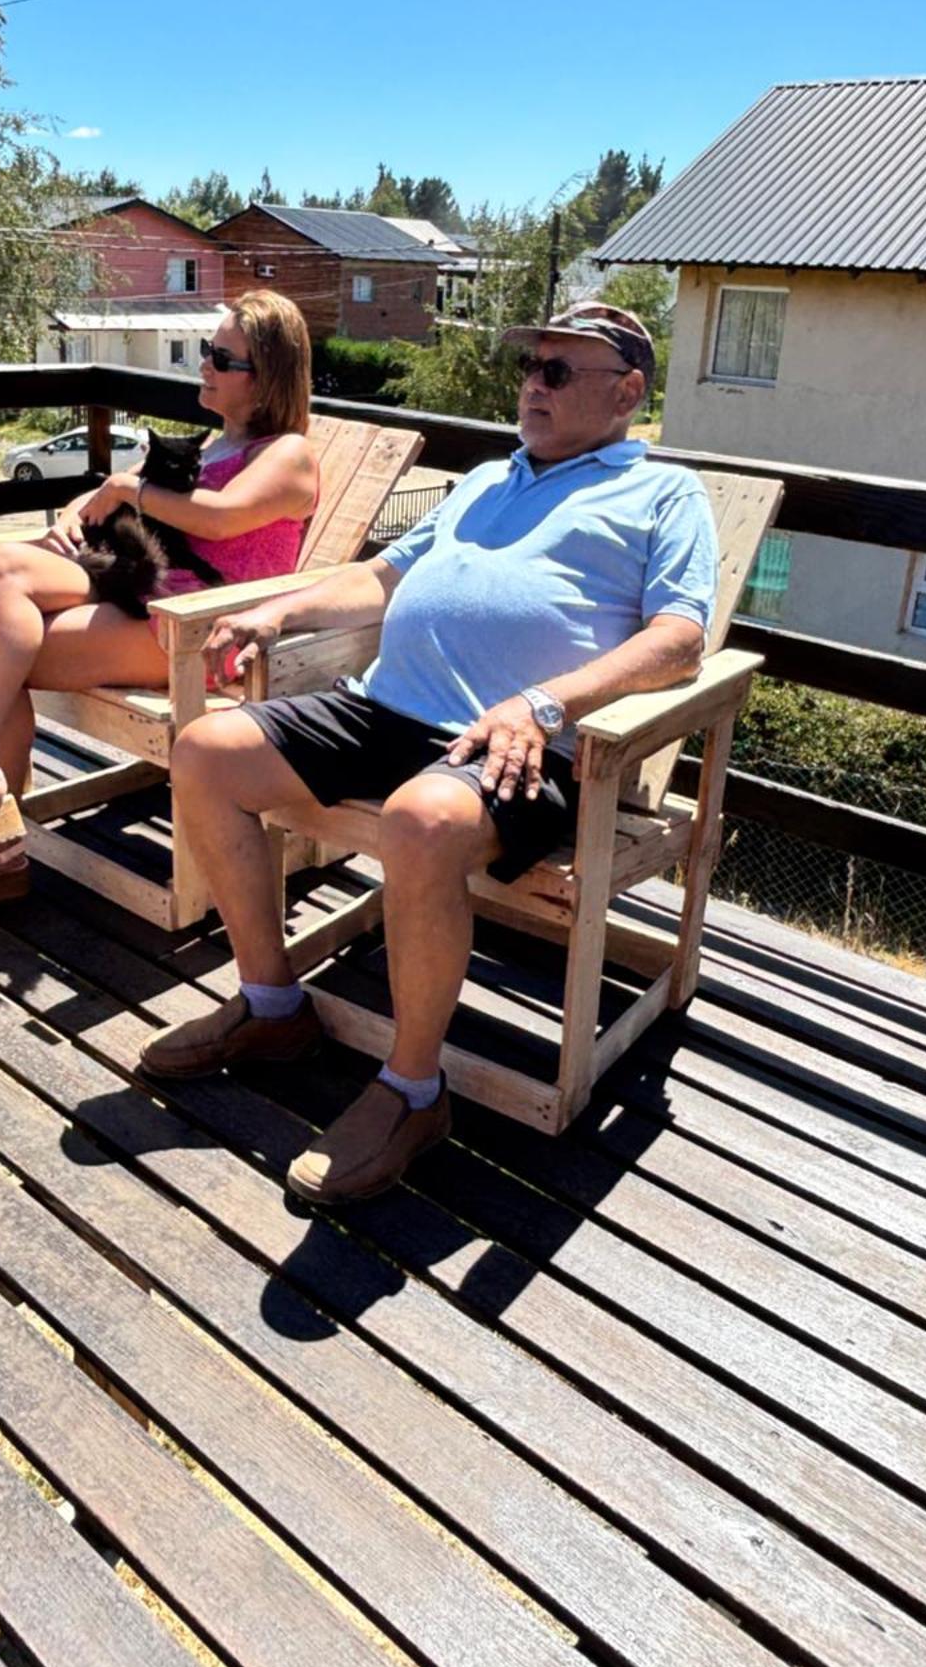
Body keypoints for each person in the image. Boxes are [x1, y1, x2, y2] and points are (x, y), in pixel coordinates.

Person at [146, 300, 719, 1202]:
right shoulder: (488, 478)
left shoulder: (663, 494)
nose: (534, 383)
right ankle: (271, 1004)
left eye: (559, 372)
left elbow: (683, 638)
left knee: (418, 817)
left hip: (523, 744)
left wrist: (545, 704)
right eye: (530, 366)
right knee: (207, 751)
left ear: (628, 393)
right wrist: (278, 609)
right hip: (386, 712)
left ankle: (413, 1092)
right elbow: (381, 578)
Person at [0, 290, 319, 894]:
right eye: (209, 352)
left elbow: (218, 518)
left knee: (1, 656)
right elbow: (127, 500)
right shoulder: (214, 445)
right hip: (140, 590)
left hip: (197, 630)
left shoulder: (289, 456)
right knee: (3, 567)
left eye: (221, 357)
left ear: (266, 379)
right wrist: (74, 512)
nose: (204, 365)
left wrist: (124, 489)